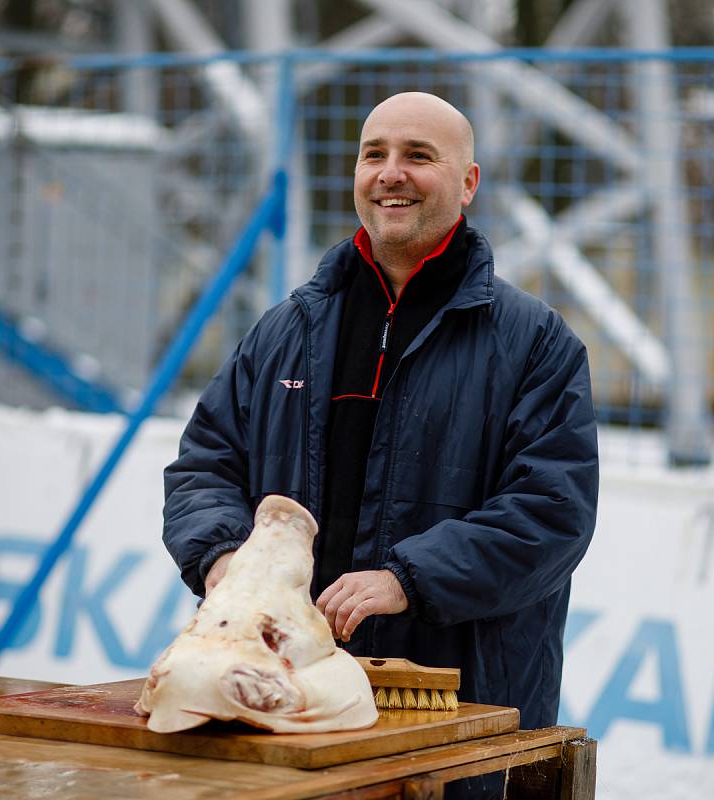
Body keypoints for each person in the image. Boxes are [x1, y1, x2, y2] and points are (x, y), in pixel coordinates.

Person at [163, 92, 598, 798]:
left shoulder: (536, 344)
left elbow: (552, 514)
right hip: (284, 698)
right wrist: (221, 558)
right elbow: (204, 463)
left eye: (418, 156)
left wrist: (407, 578)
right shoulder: (287, 329)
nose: (391, 173)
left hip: (460, 720)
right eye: (375, 155)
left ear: (468, 183)